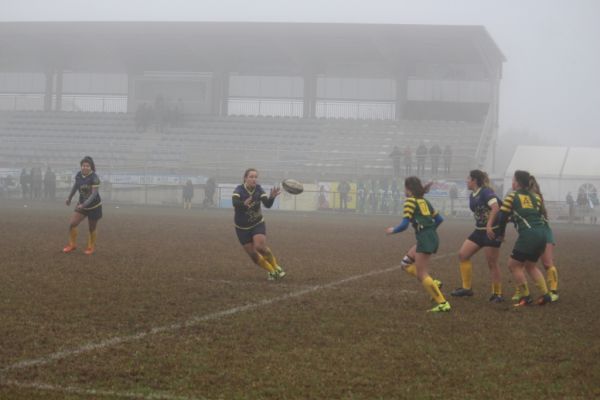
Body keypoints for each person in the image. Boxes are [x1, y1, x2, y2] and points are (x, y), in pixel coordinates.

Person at [385, 176, 450, 312]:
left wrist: (393, 230)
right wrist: (429, 231)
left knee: (421, 274)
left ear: (408, 189)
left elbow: (404, 225)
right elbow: (439, 219)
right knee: (405, 264)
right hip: (428, 236)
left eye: (405, 188)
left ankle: (442, 303)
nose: (404, 190)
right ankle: (434, 283)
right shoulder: (424, 201)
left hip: (425, 238)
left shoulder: (410, 202)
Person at [498, 170, 552, 306]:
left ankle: (526, 296)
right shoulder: (536, 197)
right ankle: (546, 295)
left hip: (529, 235)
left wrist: (500, 233)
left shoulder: (512, 196)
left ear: (517, 182)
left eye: (513, 180)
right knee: (530, 266)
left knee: (513, 264)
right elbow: (534, 214)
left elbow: (502, 217)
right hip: (542, 233)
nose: (512, 182)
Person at [450, 170, 504, 302]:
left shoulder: (486, 192)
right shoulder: (472, 195)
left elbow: (496, 208)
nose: (466, 181)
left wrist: (491, 226)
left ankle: (498, 293)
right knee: (463, 255)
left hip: (492, 231)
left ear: (474, 180)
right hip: (479, 231)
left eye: (468, 179)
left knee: (492, 263)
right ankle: (466, 289)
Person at [510, 176, 559, 302]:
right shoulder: (522, 197)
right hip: (530, 233)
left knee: (546, 262)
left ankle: (553, 291)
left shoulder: (535, 198)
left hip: (542, 231)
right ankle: (520, 291)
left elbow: (542, 216)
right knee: (521, 263)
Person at [232, 168, 285, 280]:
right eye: (251, 177)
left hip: (257, 223)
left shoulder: (259, 189)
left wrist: (272, 197)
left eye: (256, 177)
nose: (254, 179)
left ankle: (276, 267)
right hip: (241, 228)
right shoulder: (239, 190)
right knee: (253, 255)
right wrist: (243, 204)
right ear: (245, 178)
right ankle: (271, 271)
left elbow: (267, 204)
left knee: (260, 247)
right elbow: (235, 203)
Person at [62, 156, 103, 255]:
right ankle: (72, 245)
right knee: (72, 223)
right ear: (81, 167)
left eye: (87, 166)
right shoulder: (79, 175)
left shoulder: (95, 178)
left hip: (94, 206)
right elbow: (76, 186)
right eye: (83, 166)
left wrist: (84, 204)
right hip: (82, 205)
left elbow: (94, 194)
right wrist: (69, 197)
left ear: (91, 167)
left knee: (91, 228)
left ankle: (90, 247)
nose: (85, 167)